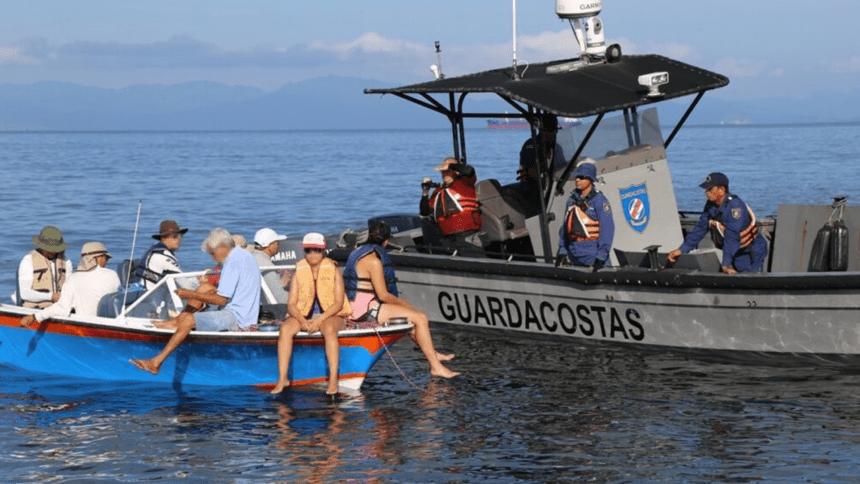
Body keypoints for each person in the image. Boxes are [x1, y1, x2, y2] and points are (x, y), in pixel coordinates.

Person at [130, 228, 261, 375]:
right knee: (204, 287)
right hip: (243, 310)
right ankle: (174, 323)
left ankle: (156, 362)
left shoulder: (232, 262)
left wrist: (189, 294)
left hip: (237, 318)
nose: (213, 258)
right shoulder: (242, 255)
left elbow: (221, 299)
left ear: (223, 246)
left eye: (213, 253)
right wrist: (201, 291)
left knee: (188, 320)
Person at [342, 221, 460, 378]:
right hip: (364, 312)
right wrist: (406, 305)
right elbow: (383, 295)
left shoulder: (357, 253)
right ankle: (436, 367)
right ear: (386, 241)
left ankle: (433, 354)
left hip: (356, 307)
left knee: (411, 323)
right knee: (420, 317)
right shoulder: (374, 261)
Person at [271, 233, 350, 395]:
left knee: (328, 329)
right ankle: (282, 378)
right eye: (309, 250)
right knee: (285, 330)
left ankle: (333, 380)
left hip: (330, 315)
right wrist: (302, 320)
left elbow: (338, 303)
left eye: (317, 250)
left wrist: (320, 319)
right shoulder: (299, 270)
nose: (313, 254)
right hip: (304, 315)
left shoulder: (333, 270)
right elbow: (291, 304)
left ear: (323, 251)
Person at [667, 172, 766, 274]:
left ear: (721, 190)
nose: (706, 192)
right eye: (706, 189)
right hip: (737, 252)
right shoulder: (711, 205)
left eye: (710, 189)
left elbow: (732, 236)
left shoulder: (735, 208)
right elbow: (700, 228)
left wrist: (725, 265)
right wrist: (681, 250)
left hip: (751, 251)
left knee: (750, 279)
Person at [20, 242, 120, 327]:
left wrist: (35, 316)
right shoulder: (113, 275)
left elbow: (62, 308)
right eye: (106, 258)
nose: (107, 261)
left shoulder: (74, 279)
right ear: (98, 257)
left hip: (88, 326)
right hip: (111, 322)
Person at [557, 162, 615, 271]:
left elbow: (607, 230)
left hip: (593, 257)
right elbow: (566, 228)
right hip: (575, 257)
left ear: (590, 179)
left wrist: (601, 257)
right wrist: (562, 251)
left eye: (581, 177)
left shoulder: (599, 201)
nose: (577, 179)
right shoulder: (571, 201)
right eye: (576, 176)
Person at [419, 156, 482, 254]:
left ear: (455, 171)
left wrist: (451, 165)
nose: (444, 174)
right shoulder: (439, 192)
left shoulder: (465, 183)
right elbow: (425, 211)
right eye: (443, 172)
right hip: (447, 240)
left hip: (467, 236)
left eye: (448, 171)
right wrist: (425, 192)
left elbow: (469, 170)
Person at [17, 226, 74, 309]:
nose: (53, 251)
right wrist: (50, 296)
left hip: (61, 308)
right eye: (49, 249)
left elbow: (70, 288)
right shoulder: (28, 260)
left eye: (55, 249)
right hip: (36, 309)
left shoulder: (66, 261)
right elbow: (24, 293)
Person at [133, 219, 188, 290]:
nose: (178, 239)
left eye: (180, 236)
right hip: (147, 296)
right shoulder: (161, 255)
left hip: (146, 292)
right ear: (163, 238)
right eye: (174, 237)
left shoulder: (154, 249)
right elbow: (183, 282)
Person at [251, 227, 289, 304]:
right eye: (277, 242)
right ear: (270, 245)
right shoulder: (267, 265)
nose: (279, 245)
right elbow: (281, 299)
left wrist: (279, 284)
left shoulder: (250, 259)